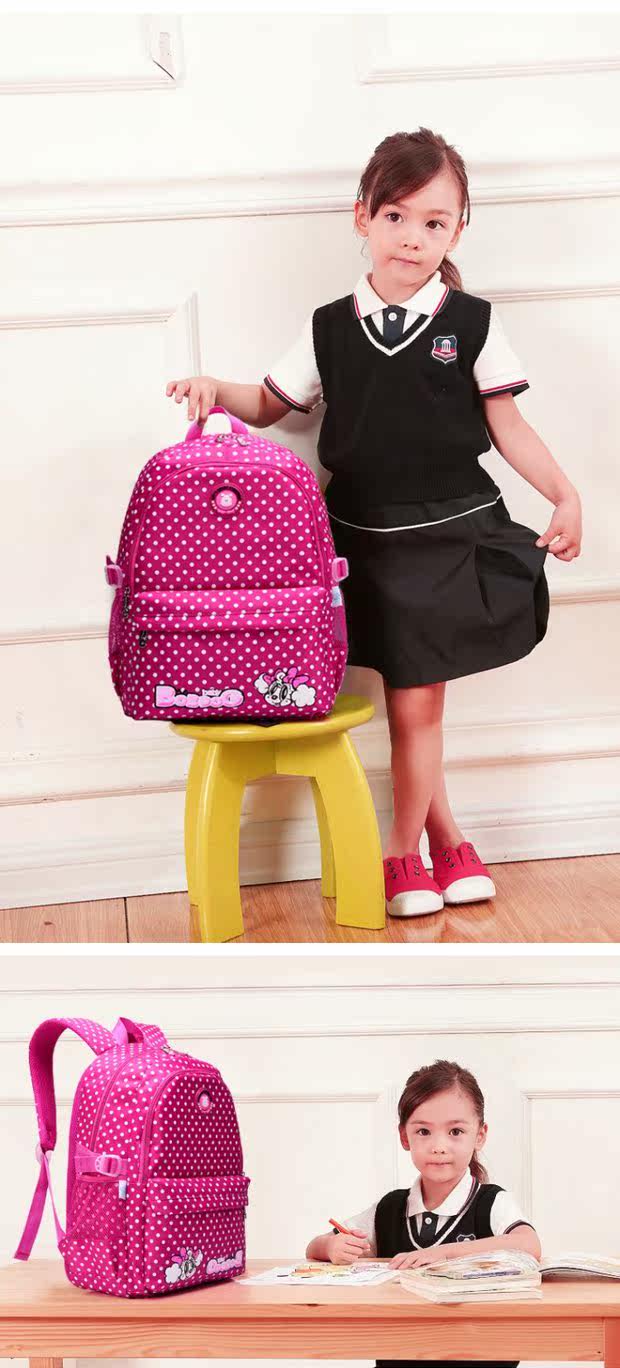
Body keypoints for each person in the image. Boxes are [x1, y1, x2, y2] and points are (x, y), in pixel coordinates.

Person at [166, 127, 583, 918]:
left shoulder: (472, 322)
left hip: (449, 536)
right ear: (362, 216)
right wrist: (215, 387)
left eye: (434, 222)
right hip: (361, 543)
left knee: (417, 703)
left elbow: (509, 426)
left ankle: (399, 853)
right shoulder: (329, 327)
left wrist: (566, 495)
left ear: (458, 231)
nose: (412, 237)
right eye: (396, 216)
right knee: (411, 703)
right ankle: (448, 840)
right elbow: (271, 404)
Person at [306, 1058, 541, 1368]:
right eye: (423, 1131)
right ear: (405, 1137)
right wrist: (332, 1246)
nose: (439, 1146)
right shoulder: (390, 1208)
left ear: (480, 1135)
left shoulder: (491, 1202)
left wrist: (444, 1253)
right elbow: (315, 1247)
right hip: (403, 1356)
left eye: (455, 1131)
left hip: (480, 1356)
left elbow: (529, 1245)